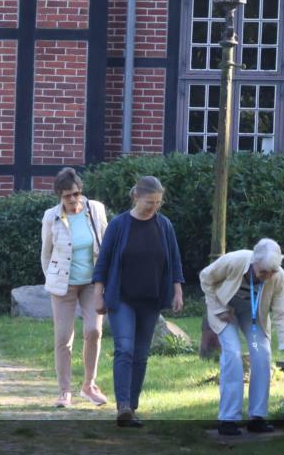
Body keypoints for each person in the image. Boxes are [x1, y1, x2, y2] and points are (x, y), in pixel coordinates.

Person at [92, 176, 184, 427]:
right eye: (149, 202)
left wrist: (177, 290)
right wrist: (98, 293)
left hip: (151, 298)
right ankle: (122, 405)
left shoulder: (164, 226)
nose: (153, 207)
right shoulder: (119, 225)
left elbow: (174, 260)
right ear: (135, 197)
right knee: (124, 348)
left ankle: (132, 406)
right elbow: (104, 261)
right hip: (122, 297)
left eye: (157, 202)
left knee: (141, 354)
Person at [200, 239, 284, 436]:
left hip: (252, 314)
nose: (268, 276)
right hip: (225, 309)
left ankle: (257, 417)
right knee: (233, 353)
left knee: (262, 353)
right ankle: (228, 419)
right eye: (263, 272)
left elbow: (281, 311)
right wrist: (218, 309)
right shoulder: (235, 260)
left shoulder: (278, 276)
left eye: (272, 272)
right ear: (254, 261)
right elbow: (205, 277)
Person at [40, 167, 110, 408]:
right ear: (59, 196)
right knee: (63, 337)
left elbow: (106, 243)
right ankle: (64, 391)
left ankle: (89, 385)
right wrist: (53, 280)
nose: (73, 199)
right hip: (63, 286)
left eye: (76, 194)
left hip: (92, 283)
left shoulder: (96, 210)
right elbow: (46, 254)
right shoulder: (51, 216)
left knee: (94, 331)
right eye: (67, 195)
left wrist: (105, 280)